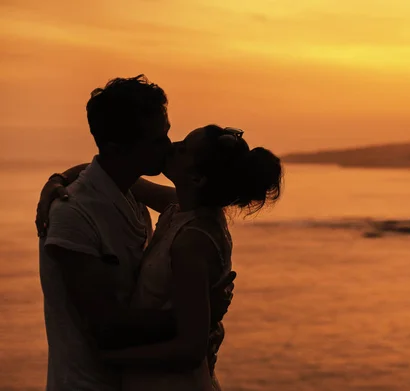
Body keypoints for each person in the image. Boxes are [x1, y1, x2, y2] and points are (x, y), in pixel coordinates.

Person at [37, 125, 283, 390]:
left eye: (184, 148)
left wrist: (113, 360)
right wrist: (57, 180)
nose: (172, 145)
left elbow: (190, 349)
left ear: (196, 179)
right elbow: (105, 174)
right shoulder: (183, 208)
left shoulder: (191, 242)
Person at [37, 75, 234, 391]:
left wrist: (59, 176)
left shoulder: (132, 194)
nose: (169, 146)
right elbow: (106, 325)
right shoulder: (72, 214)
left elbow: (97, 171)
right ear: (118, 147)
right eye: (158, 140)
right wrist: (199, 313)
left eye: (168, 134)